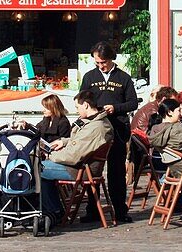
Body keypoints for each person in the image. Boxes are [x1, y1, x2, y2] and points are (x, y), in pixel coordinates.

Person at [78, 41, 138, 223]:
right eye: (97, 63)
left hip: (117, 129)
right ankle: (93, 210)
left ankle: (120, 210)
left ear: (111, 58)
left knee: (116, 171)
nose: (100, 66)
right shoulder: (89, 77)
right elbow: (82, 100)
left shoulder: (123, 78)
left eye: (103, 62)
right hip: (96, 130)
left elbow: (133, 103)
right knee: (93, 170)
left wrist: (116, 108)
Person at [39, 90, 113, 225]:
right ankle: (54, 210)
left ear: (85, 105)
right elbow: (79, 142)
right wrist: (64, 141)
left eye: (77, 107)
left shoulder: (96, 127)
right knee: (40, 169)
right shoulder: (93, 122)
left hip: (81, 170)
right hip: (80, 166)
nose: (77, 111)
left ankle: (54, 212)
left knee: (37, 169)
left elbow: (73, 156)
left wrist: (50, 155)